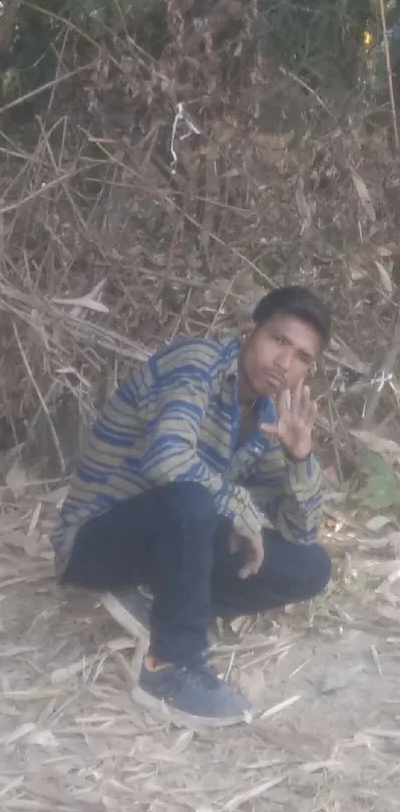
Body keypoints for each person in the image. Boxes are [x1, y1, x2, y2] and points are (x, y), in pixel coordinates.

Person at [52, 285, 332, 727]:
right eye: (278, 341)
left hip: (171, 546)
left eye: (300, 357)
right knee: (194, 499)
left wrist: (300, 459)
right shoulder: (196, 363)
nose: (284, 363)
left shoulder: (265, 416)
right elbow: (168, 459)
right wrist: (238, 505)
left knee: (310, 566)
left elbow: (298, 532)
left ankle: (158, 598)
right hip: (97, 540)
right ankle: (169, 666)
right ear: (248, 331)